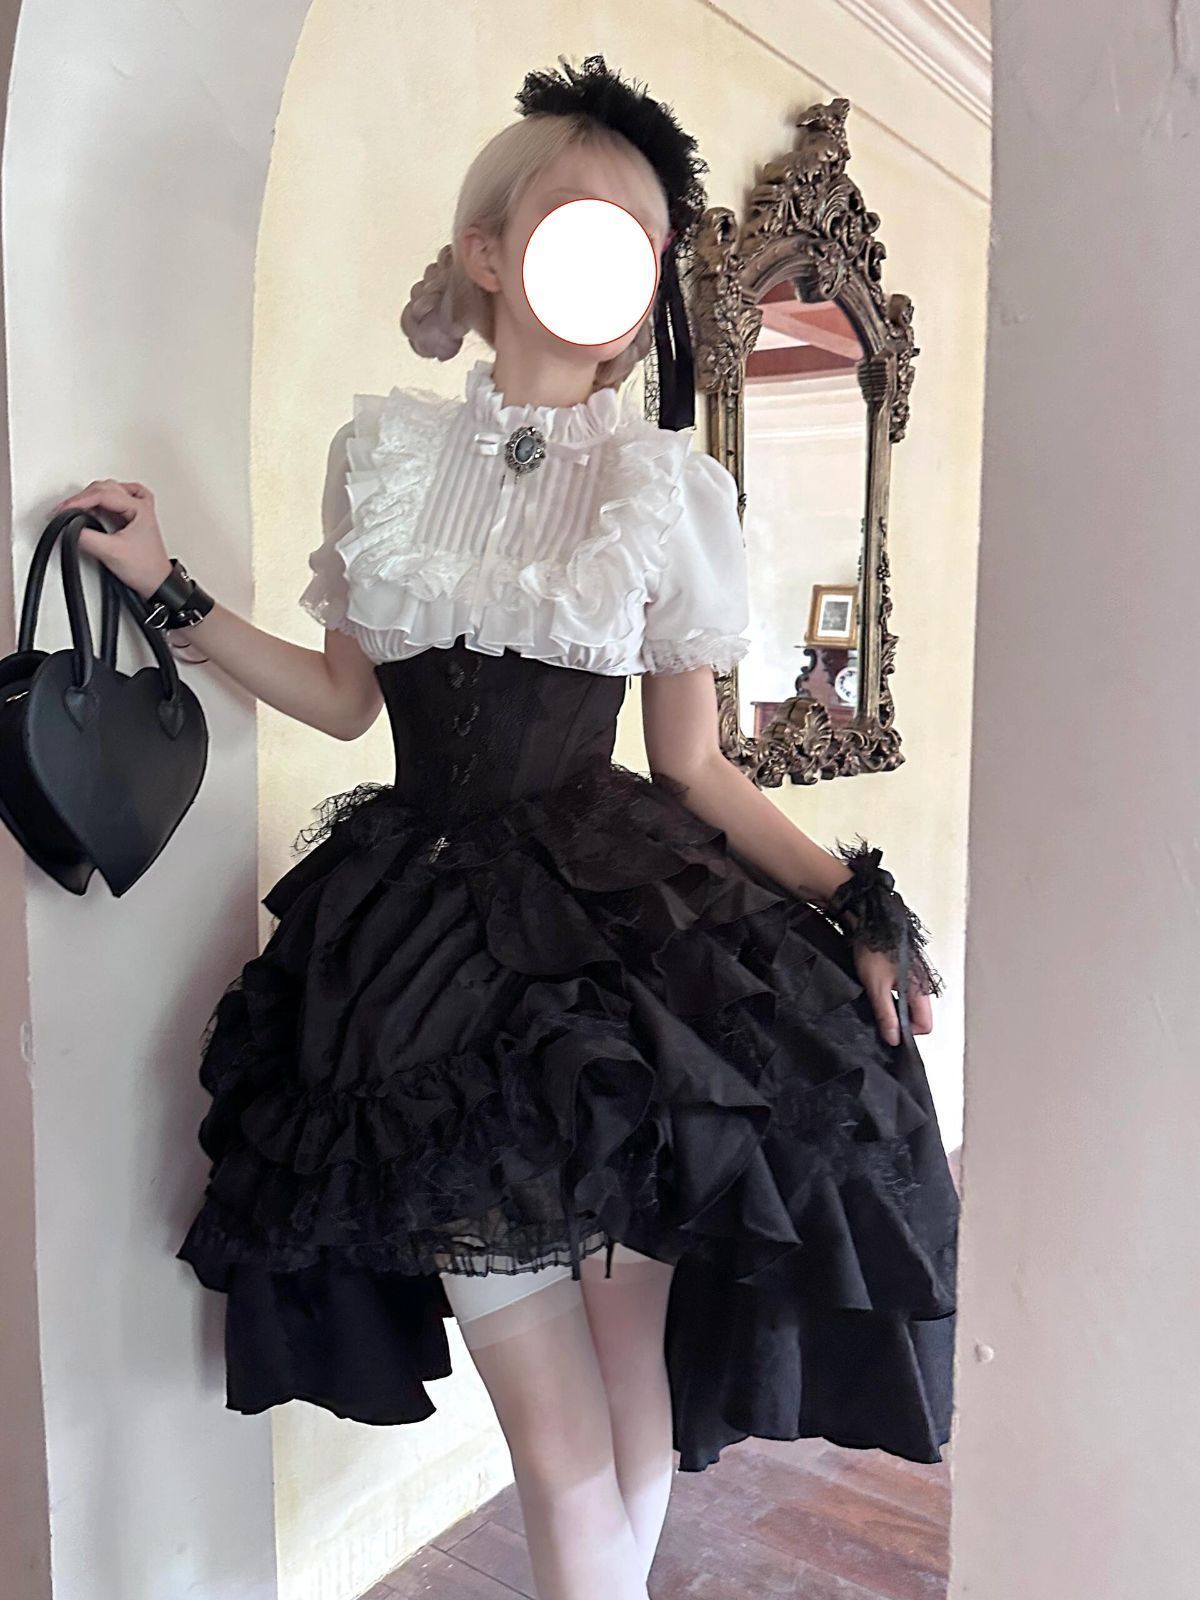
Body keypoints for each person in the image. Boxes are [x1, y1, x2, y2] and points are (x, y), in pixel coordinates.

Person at [50, 56, 959, 1600]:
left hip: (625, 958)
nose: (617, 266)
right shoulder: (385, 461)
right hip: (418, 960)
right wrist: (166, 585)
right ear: (487, 248)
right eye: (580, 226)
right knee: (554, 1436)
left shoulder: (668, 489)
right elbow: (345, 699)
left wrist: (853, 901)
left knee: (631, 1388)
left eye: (642, 245)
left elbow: (693, 766)